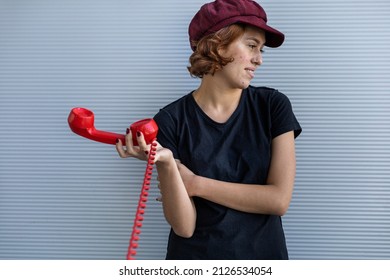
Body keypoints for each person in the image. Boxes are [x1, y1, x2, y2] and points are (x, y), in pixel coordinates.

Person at [116, 0, 302, 260]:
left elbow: (279, 200)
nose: (258, 60)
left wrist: (196, 184)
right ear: (217, 44)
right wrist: (166, 163)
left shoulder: (272, 106)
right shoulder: (170, 120)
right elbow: (184, 226)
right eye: (251, 46)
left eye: (261, 50)